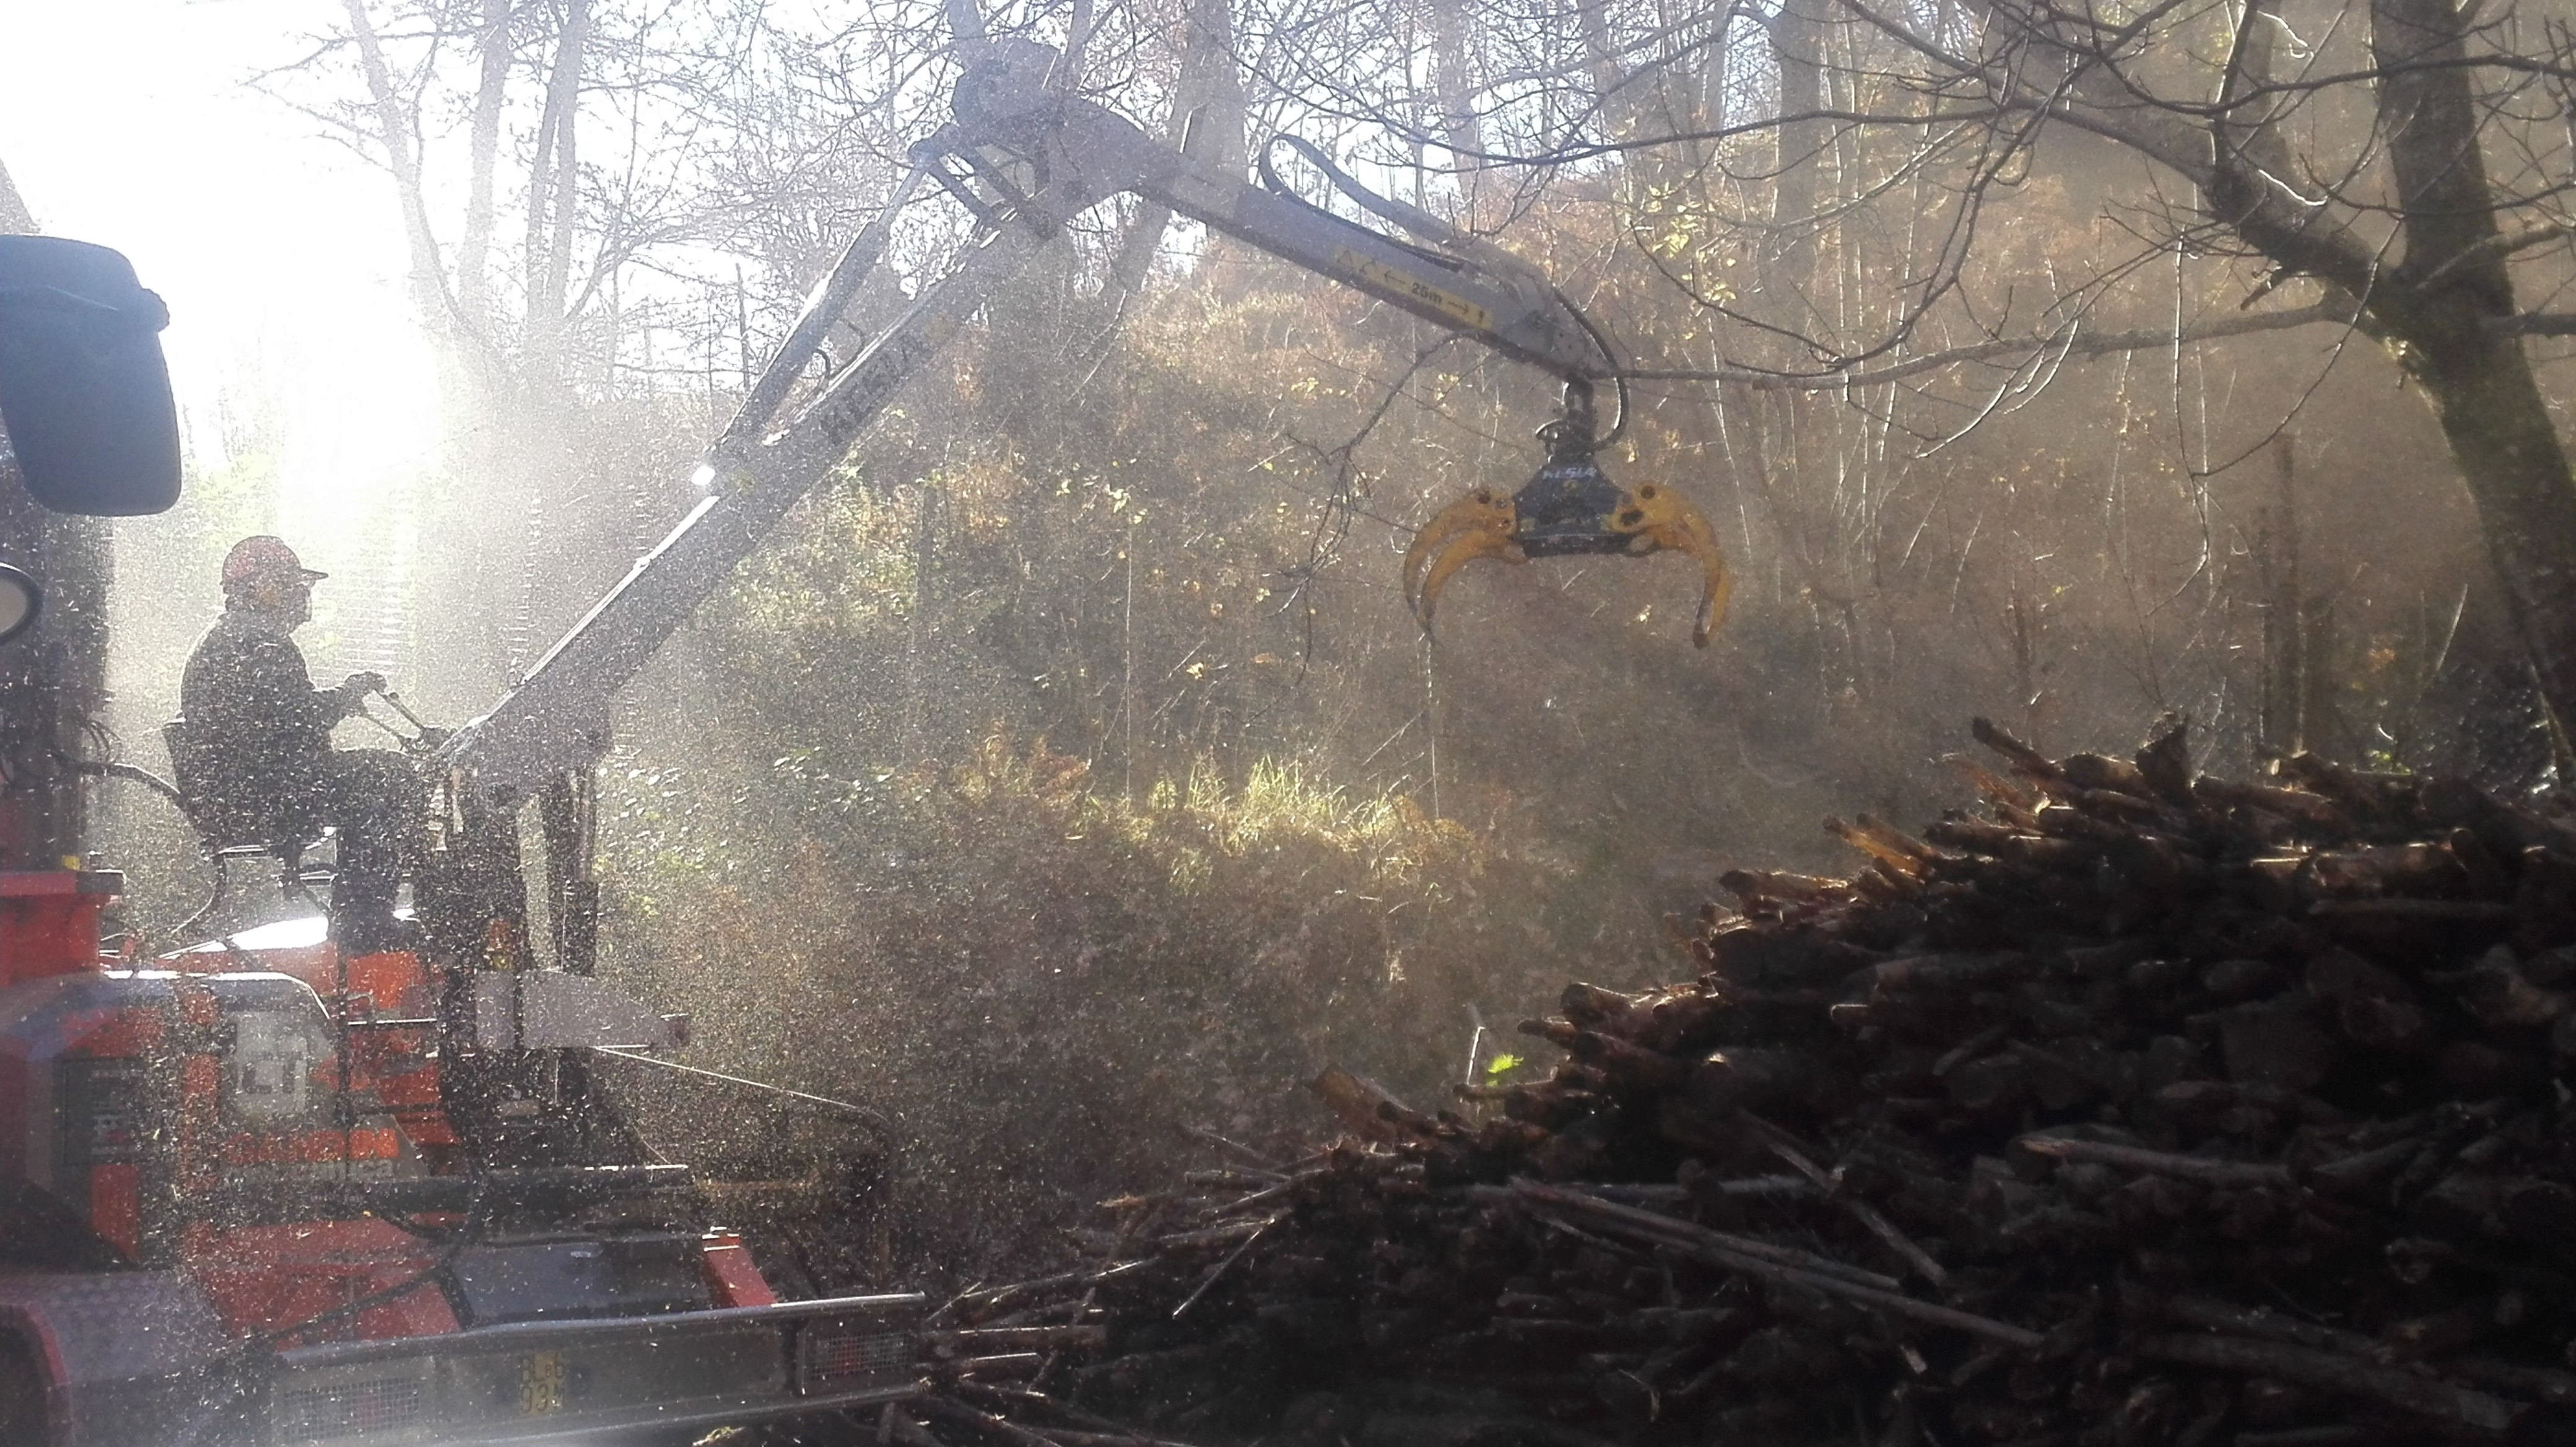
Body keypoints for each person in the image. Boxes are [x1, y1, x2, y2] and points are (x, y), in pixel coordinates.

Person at [178, 536, 423, 953]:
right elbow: (296, 716)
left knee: (374, 772)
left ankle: (363, 914)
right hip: (271, 792)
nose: (298, 594)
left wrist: (342, 697)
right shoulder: (257, 642)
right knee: (387, 774)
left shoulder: (233, 638)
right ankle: (363, 919)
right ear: (258, 587)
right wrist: (345, 697)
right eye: (287, 583)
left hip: (252, 788)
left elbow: (282, 712)